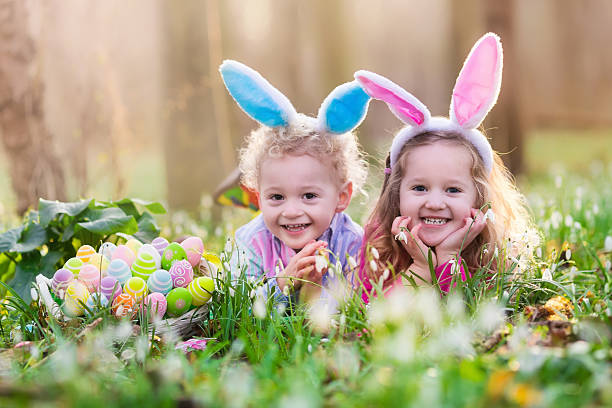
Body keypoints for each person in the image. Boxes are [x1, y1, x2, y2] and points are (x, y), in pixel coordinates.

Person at [354, 33, 538, 301]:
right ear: (396, 192)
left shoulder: (490, 250)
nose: (435, 202)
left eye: (453, 190)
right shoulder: (380, 243)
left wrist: (449, 256)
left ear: (480, 196)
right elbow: (375, 318)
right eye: (419, 187)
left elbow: (468, 316)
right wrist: (420, 267)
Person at [219, 60, 370, 306]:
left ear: (342, 197)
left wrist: (316, 289)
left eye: (309, 196)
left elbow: (359, 305)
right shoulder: (251, 242)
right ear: (258, 194)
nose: (291, 211)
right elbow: (236, 308)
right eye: (277, 197)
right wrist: (282, 283)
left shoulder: (351, 242)